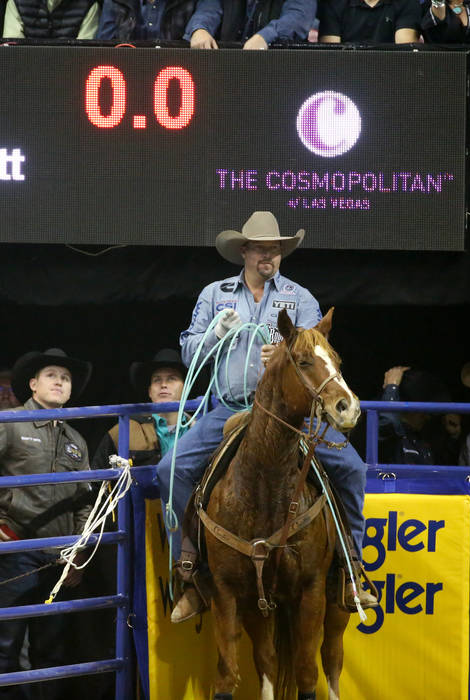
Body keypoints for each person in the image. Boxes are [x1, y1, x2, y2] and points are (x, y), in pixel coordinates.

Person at [160, 210, 377, 622]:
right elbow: (189, 354)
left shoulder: (300, 298)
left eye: (275, 250)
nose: (269, 257)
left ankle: (351, 570)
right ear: (244, 251)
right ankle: (190, 571)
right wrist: (214, 335)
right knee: (171, 469)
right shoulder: (214, 295)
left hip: (291, 414)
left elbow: (318, 353)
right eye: (261, 249)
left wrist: (282, 357)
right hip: (230, 406)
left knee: (350, 468)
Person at [0, 348, 95, 699]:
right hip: (15, 551)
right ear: (33, 385)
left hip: (59, 559)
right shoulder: (10, 423)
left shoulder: (76, 440)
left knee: (52, 652)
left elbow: (85, 501)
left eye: (66, 378)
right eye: (51, 375)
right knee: (3, 648)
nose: (59, 382)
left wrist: (80, 550)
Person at [91, 348, 189, 469]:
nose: (164, 385)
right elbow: (96, 480)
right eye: (157, 380)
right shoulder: (124, 430)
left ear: (185, 389)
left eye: (171, 379)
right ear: (149, 392)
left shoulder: (201, 428)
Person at [378, 365, 461, 465]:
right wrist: (391, 387)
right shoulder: (392, 436)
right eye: (423, 411)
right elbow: (387, 424)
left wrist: (452, 437)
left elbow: (443, 470)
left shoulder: (423, 440)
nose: (427, 417)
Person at [184, 0, 316, 48]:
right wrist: (199, 29)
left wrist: (265, 37)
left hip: (278, 69)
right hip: (230, 67)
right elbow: (209, 9)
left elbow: (298, 16)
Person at [318, 0, 420, 43]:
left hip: (390, 73)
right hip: (345, 76)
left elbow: (406, 52)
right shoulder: (333, 3)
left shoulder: (407, 2)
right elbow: (331, 55)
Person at [96, 0, 195, 39]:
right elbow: (102, 50)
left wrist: (199, 30)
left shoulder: (187, 3)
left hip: (172, 73)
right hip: (128, 73)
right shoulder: (115, 2)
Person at [2, 0, 100, 38]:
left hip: (70, 73)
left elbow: (85, 54)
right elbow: (12, 51)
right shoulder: (17, 3)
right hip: (27, 72)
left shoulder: (88, 5)